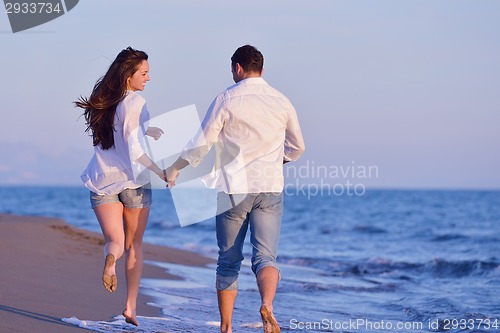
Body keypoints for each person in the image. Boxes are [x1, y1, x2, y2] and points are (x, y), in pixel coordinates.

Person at [165, 45, 305, 333]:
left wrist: (176, 168)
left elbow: (200, 145)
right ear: (262, 70)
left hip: (233, 188)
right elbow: (298, 146)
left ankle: (227, 327)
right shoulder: (281, 100)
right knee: (266, 257)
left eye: (232, 69)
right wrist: (279, 160)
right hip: (269, 187)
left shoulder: (227, 98)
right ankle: (267, 304)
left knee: (228, 260)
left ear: (238, 68)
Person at [75, 47, 167, 327]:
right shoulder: (137, 103)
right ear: (129, 76)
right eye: (144, 73)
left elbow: (124, 134)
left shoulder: (105, 102)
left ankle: (110, 260)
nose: (148, 78)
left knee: (115, 242)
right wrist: (160, 171)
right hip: (134, 183)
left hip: (103, 180)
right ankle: (130, 307)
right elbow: (135, 150)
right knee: (134, 245)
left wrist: (149, 130)